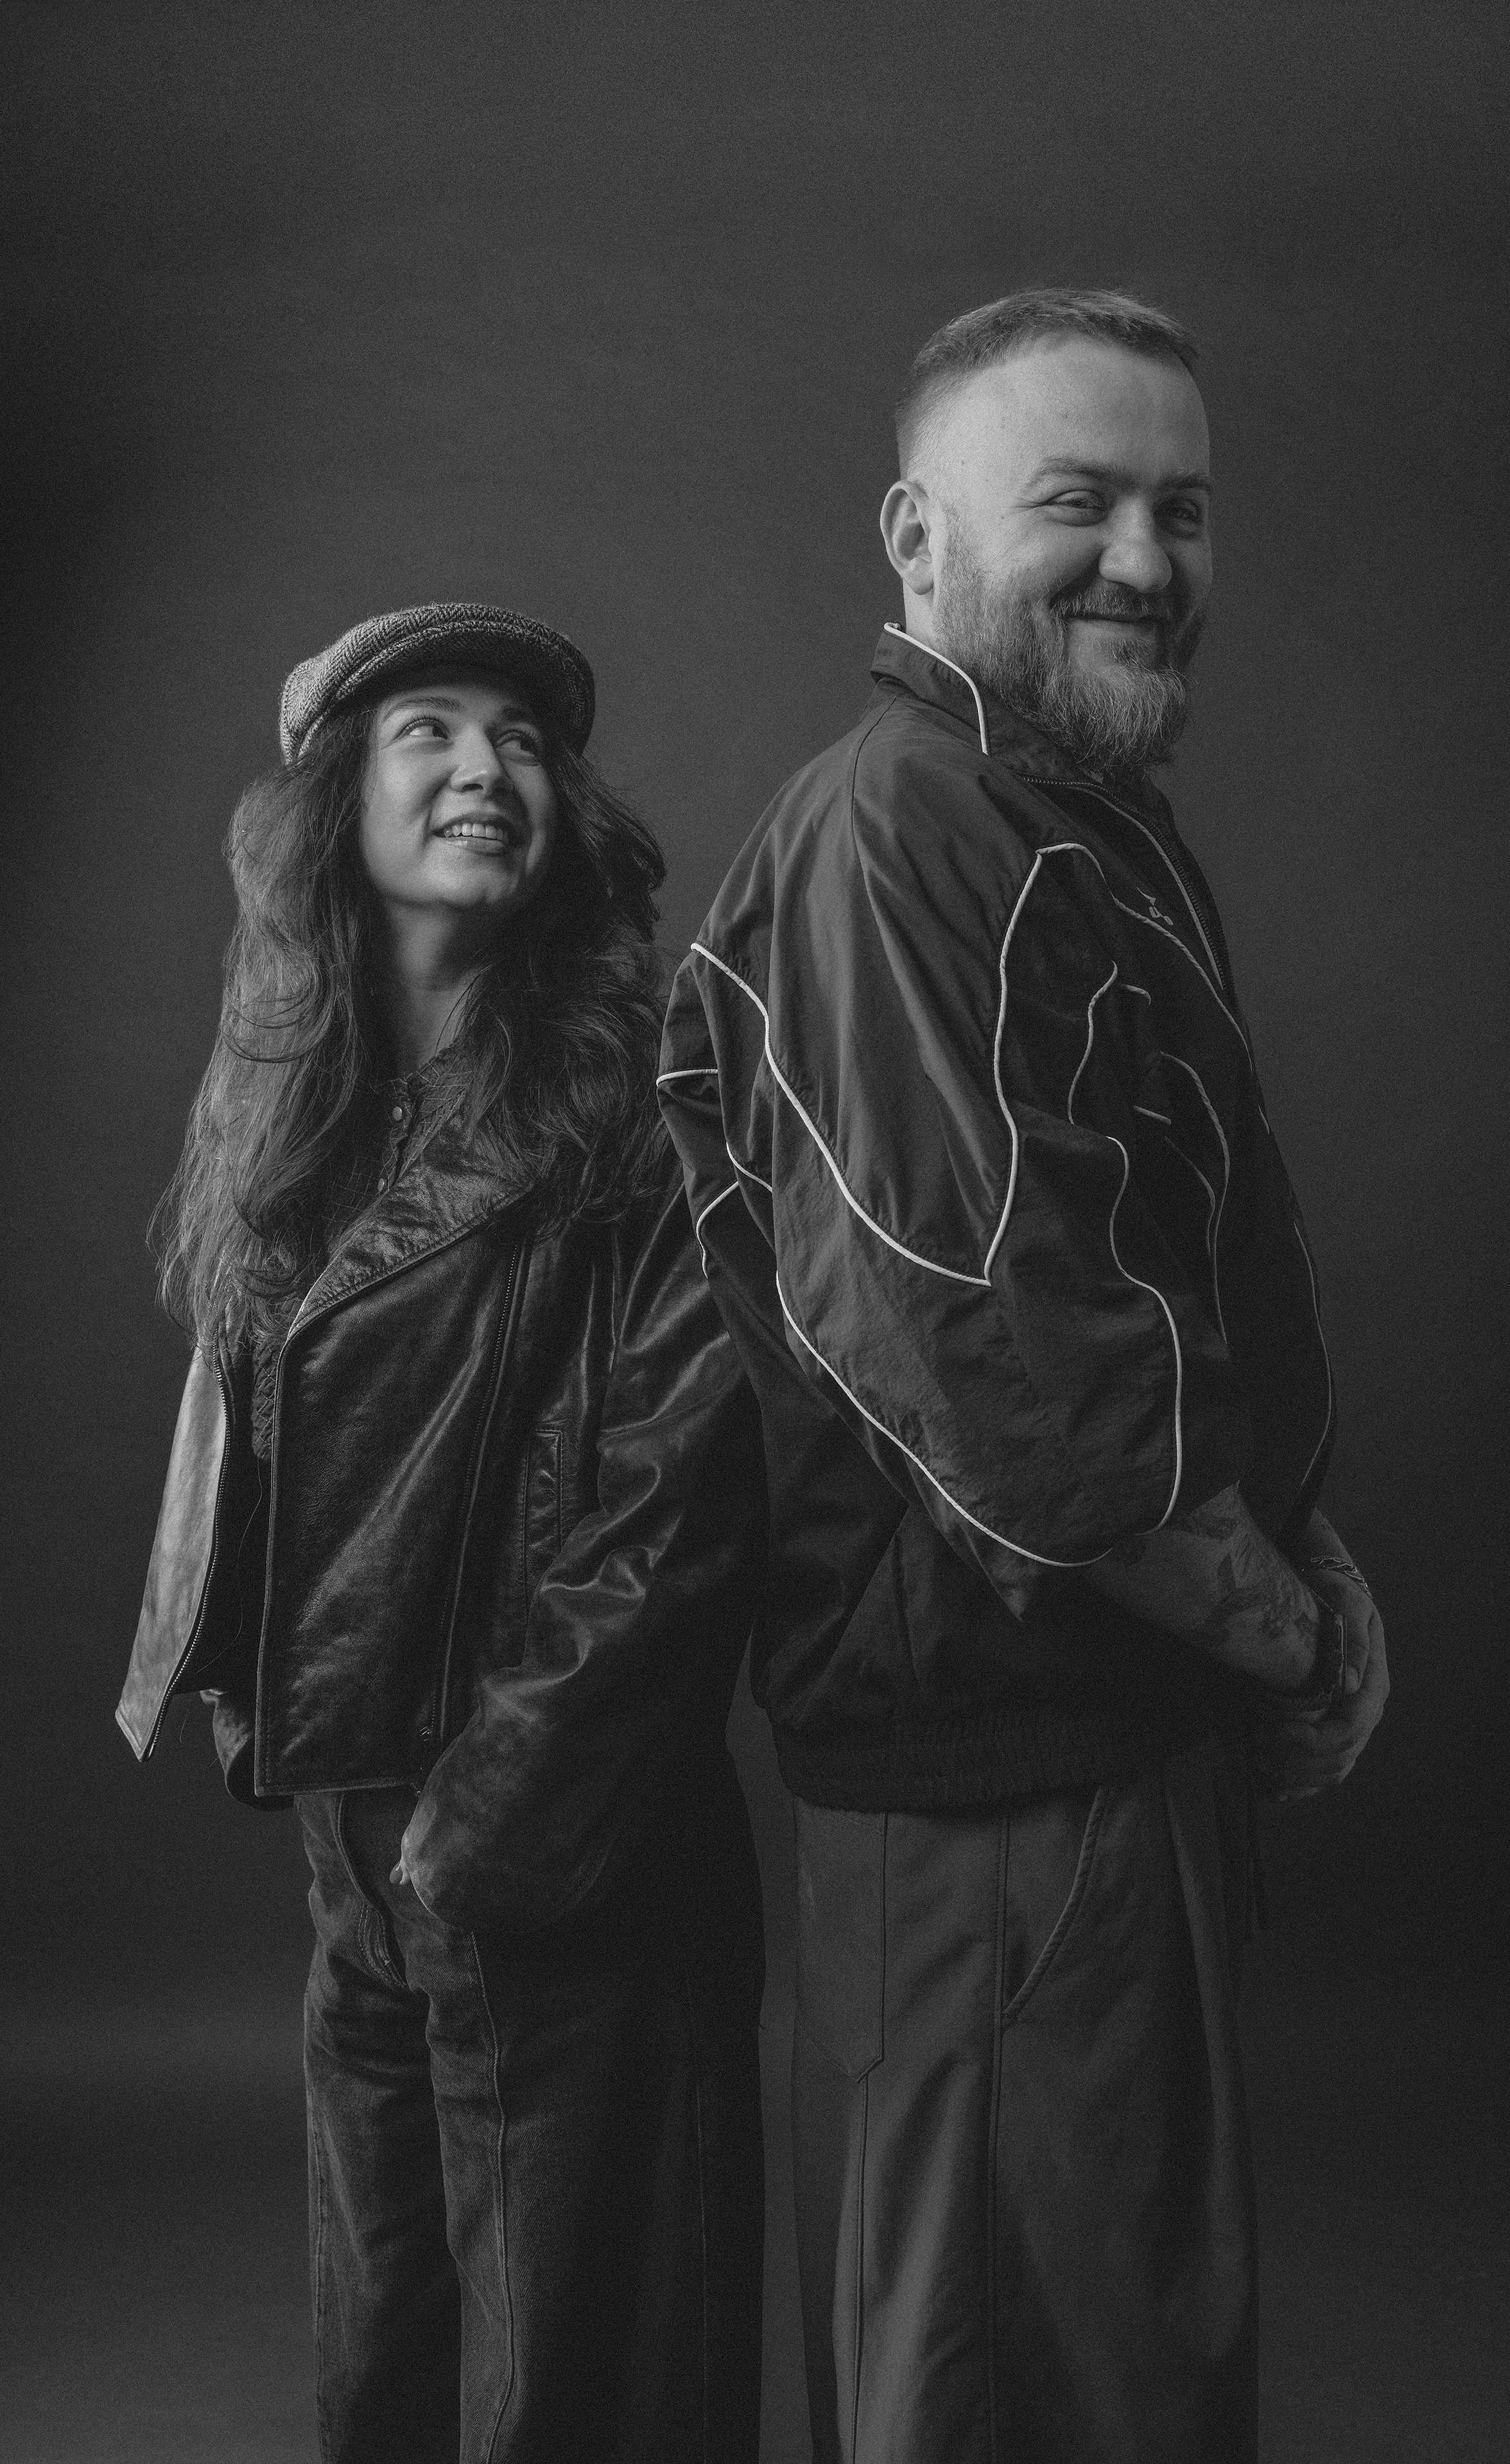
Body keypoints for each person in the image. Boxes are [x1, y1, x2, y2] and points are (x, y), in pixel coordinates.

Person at [659, 292, 1390, 2461]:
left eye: (1181, 507)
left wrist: (1290, 1579)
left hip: (1100, 1741)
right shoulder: (911, 829)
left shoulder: (1057, 813)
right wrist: (1292, 1632)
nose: (1146, 560)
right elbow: (1014, 1382)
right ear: (916, 537)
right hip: (1003, 1779)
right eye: (1073, 501)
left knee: (1112, 2373)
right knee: (1005, 2389)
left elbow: (1164, 1281)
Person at [118, 603, 767, 2464]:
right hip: (363, 1849)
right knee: (395, 2351)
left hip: (561, 1835)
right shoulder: (289, 1118)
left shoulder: (653, 1110)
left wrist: (485, 1826)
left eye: (525, 740)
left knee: (587, 2382)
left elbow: (680, 1500)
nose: (490, 770)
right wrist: (335, 1801)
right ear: (333, 798)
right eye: (431, 732)